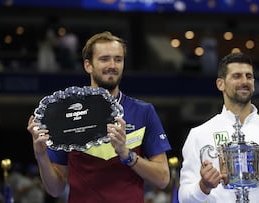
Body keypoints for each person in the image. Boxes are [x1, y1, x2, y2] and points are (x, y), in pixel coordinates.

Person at [27, 31, 172, 203]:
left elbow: (163, 179)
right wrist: (41, 155)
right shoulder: (64, 115)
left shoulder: (144, 111)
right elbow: (56, 189)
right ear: (88, 65)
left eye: (118, 59)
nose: (112, 65)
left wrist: (126, 154)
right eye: (104, 59)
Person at [178, 52, 259, 203]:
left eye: (249, 76)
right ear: (221, 84)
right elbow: (184, 198)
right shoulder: (199, 134)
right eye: (237, 76)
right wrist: (203, 186)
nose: (244, 81)